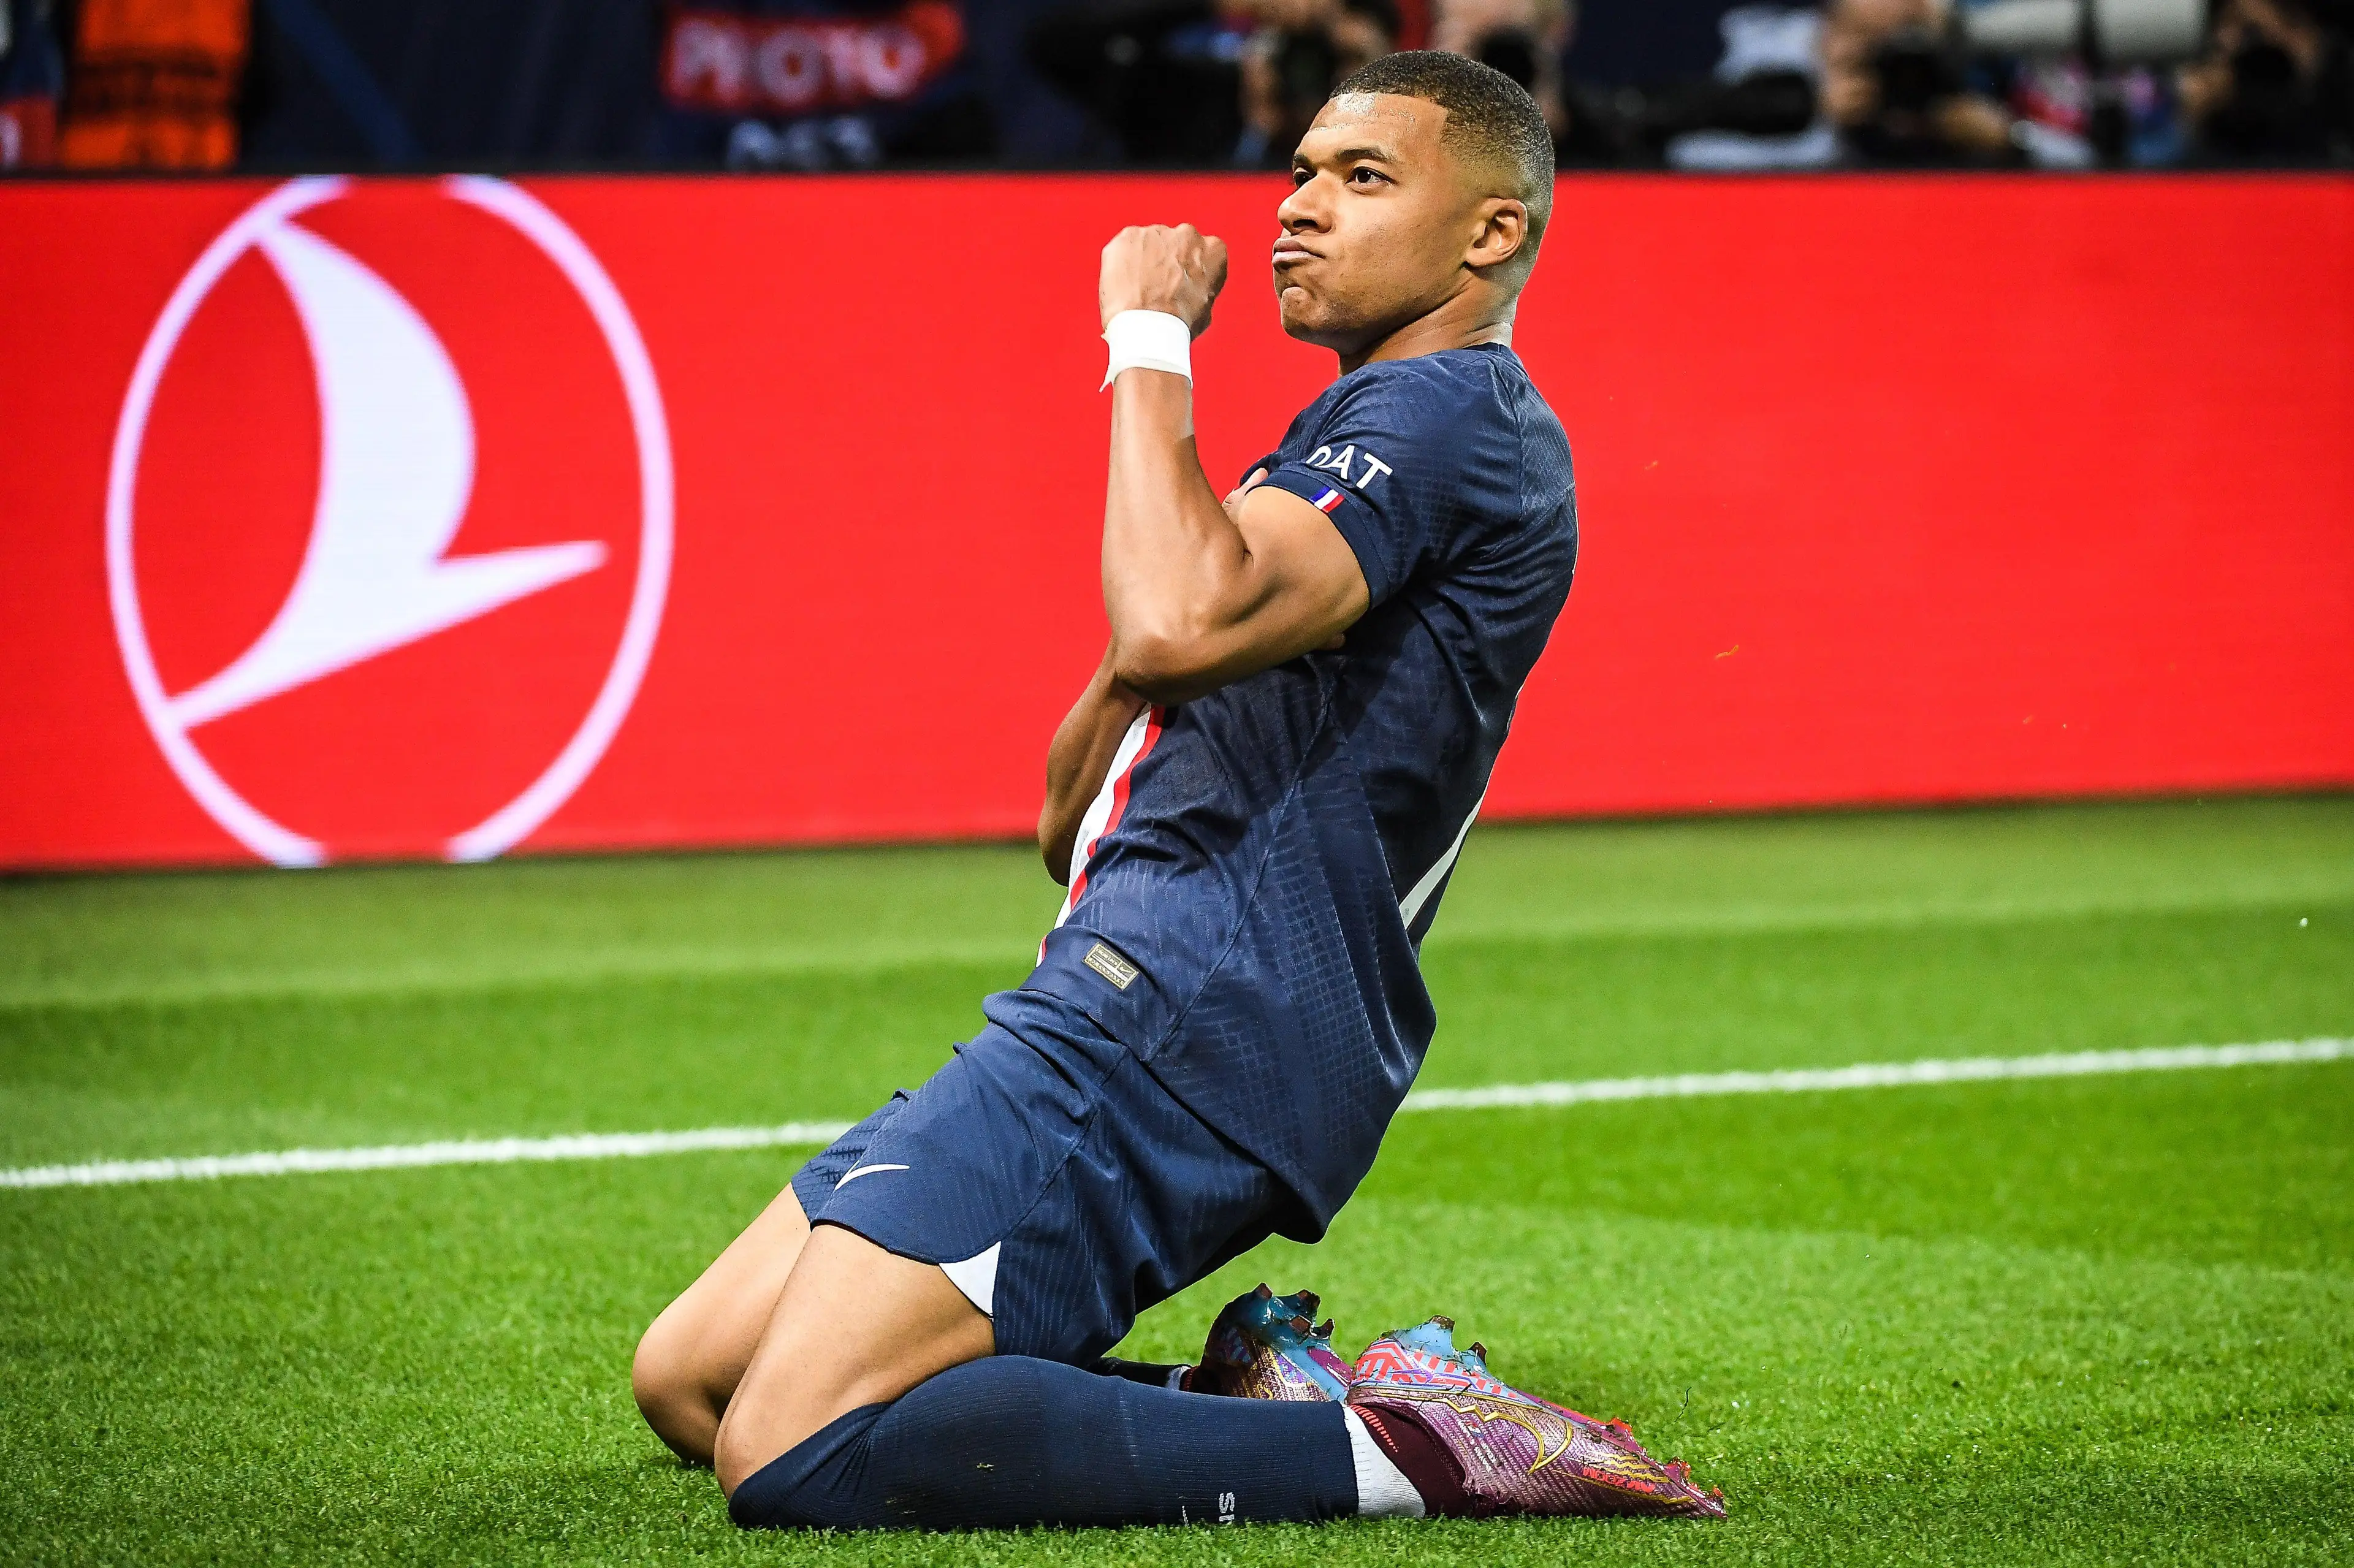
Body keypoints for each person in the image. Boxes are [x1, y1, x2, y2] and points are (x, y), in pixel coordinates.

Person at [630, 49, 1726, 1531]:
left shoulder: (1450, 418)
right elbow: (1079, 778)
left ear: (1491, 234)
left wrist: (1146, 336)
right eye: (1297, 173)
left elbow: (1167, 626)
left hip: (1187, 1013)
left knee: (792, 1448)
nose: (1298, 209)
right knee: (693, 1379)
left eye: (1362, 177)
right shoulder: (1355, 435)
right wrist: (1150, 671)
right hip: (1126, 984)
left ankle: (1410, 1453)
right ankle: (1276, 1395)